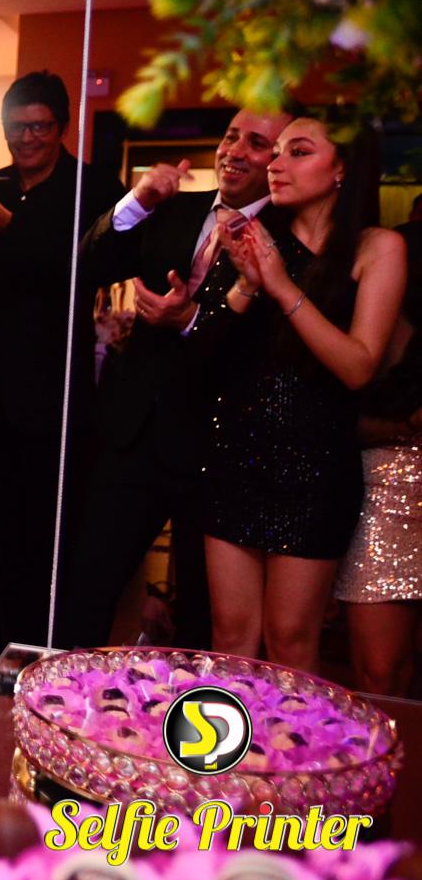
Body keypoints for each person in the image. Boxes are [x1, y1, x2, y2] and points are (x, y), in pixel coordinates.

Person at [56, 109, 294, 650]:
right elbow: (88, 264)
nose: (235, 151)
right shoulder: (176, 210)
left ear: (279, 160)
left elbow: (273, 342)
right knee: (88, 590)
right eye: (231, 136)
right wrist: (137, 200)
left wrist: (190, 320)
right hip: (135, 434)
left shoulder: (288, 236)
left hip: (222, 448)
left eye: (256, 143)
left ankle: (189, 707)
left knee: (205, 620)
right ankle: (70, 699)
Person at [192, 118, 404, 673]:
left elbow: (358, 366)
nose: (275, 164)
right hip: (235, 457)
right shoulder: (253, 238)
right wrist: (245, 284)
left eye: (299, 152)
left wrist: (281, 285)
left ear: (342, 169)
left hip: (315, 469)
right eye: (278, 152)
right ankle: (227, 735)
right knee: (231, 637)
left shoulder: (377, 248)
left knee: (289, 640)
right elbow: (200, 358)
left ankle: (289, 735)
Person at [0, 70, 123, 655]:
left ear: (62, 127)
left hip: (58, 389)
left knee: (50, 539)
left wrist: (8, 226)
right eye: (15, 127)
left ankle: (49, 658)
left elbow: (93, 267)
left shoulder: (93, 189)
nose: (26, 138)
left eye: (39, 127)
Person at [335, 220, 422, 696]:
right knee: (382, 673)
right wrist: (406, 425)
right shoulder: (387, 260)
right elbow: (331, 418)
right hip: (385, 492)